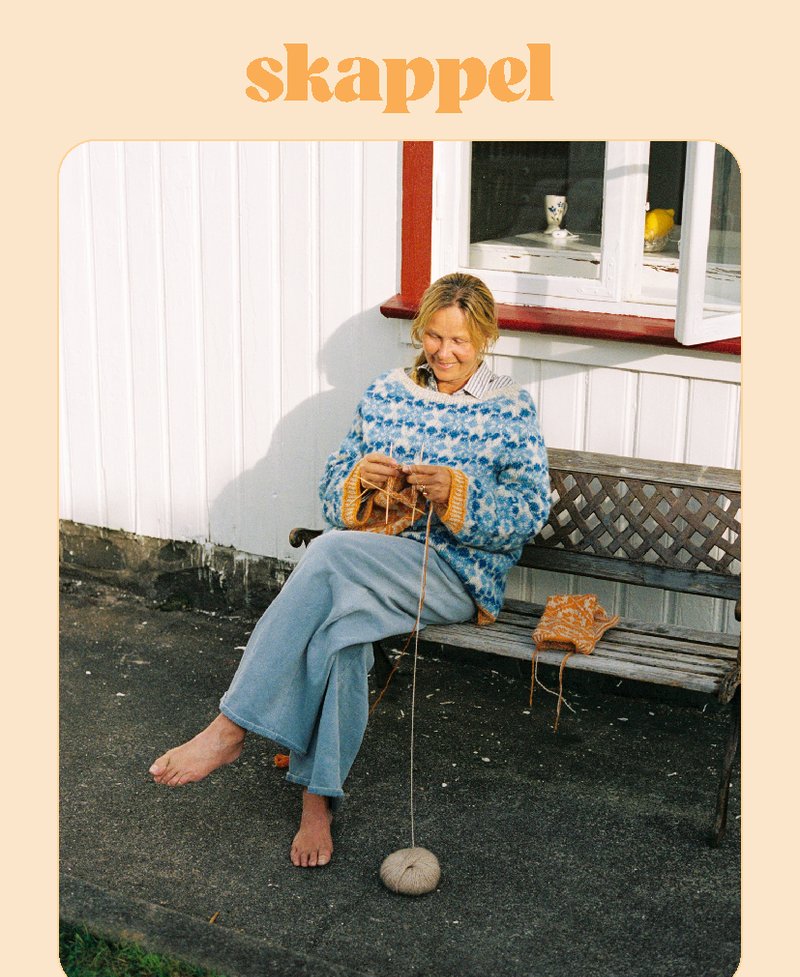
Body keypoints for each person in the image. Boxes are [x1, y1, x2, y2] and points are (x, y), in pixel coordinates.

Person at [149, 273, 551, 867]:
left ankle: (230, 728)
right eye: (434, 336)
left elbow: (529, 515)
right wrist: (359, 480)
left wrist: (458, 493)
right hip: (371, 565)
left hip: (452, 575)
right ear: (419, 331)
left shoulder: (509, 408)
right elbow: (332, 488)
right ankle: (317, 800)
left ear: (486, 339)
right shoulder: (387, 393)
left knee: (329, 552)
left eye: (460, 341)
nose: (444, 352)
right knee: (341, 635)